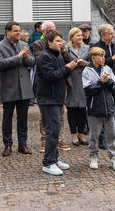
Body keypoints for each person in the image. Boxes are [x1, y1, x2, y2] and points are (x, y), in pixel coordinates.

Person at [36, 29, 77, 176]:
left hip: (58, 98)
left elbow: (62, 70)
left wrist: (67, 64)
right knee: (52, 131)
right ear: (49, 42)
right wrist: (67, 68)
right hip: (48, 99)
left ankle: (54, 159)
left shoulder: (58, 54)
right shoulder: (44, 56)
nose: (61, 43)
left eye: (61, 40)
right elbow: (50, 76)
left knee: (57, 129)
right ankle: (48, 163)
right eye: (58, 41)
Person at [0, 21, 35, 157]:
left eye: (19, 30)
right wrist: (18, 57)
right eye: (15, 31)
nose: (18, 33)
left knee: (23, 119)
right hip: (9, 87)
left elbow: (32, 61)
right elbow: (1, 64)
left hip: (24, 88)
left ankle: (22, 144)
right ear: (8, 32)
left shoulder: (24, 44)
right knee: (7, 118)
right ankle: (8, 144)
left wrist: (25, 57)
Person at [32, 21, 72, 152]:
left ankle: (58, 139)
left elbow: (67, 60)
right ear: (44, 33)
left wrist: (63, 49)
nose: (54, 33)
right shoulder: (39, 46)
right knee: (47, 117)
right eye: (51, 31)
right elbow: (43, 64)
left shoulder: (59, 47)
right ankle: (45, 141)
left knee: (60, 114)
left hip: (60, 85)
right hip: (46, 88)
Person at [82, 46, 115, 171]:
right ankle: (93, 156)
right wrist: (101, 82)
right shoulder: (87, 71)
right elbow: (88, 90)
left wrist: (107, 81)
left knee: (112, 135)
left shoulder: (108, 68)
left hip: (109, 107)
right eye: (101, 56)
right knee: (94, 135)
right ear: (93, 57)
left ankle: (114, 158)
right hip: (94, 109)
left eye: (104, 56)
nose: (103, 58)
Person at [91, 24, 115, 147]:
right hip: (103, 85)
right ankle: (102, 139)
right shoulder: (95, 47)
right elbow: (100, 64)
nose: (113, 35)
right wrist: (113, 57)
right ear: (103, 35)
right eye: (111, 33)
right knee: (102, 113)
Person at [66, 27, 89, 146]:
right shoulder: (66, 49)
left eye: (81, 35)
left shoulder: (87, 48)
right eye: (77, 35)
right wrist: (73, 64)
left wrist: (85, 63)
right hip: (71, 81)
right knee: (72, 109)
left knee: (82, 109)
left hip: (84, 81)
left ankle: (81, 133)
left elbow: (92, 63)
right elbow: (63, 62)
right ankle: (73, 134)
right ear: (71, 37)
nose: (80, 37)